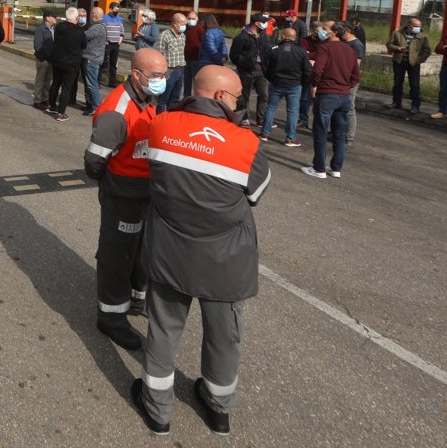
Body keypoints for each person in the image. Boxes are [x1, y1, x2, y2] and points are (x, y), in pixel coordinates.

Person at [132, 65, 270, 438]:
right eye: (239, 96)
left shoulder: (161, 124)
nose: (241, 102)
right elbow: (255, 195)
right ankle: (217, 406)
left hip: (169, 251)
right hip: (226, 260)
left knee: (163, 330)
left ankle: (157, 409)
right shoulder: (245, 143)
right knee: (224, 336)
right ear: (222, 97)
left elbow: (155, 170)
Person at [84, 48, 168, 352]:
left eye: (164, 74)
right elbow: (94, 161)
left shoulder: (146, 97)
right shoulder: (115, 111)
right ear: (136, 75)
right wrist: (112, 184)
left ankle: (136, 298)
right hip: (124, 193)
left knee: (142, 250)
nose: (162, 81)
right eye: (157, 76)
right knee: (117, 255)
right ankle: (111, 317)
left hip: (146, 190)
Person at [301, 22, 360, 179]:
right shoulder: (350, 50)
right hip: (343, 96)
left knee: (320, 131)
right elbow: (356, 76)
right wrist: (345, 86)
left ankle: (319, 168)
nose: (322, 31)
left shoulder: (325, 48)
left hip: (327, 94)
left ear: (334, 33)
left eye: (325, 29)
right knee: (339, 134)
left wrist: (315, 85)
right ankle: (336, 168)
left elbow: (317, 70)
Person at [261, 27, 311, 147]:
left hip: (276, 82)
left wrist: (271, 78)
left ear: (283, 36)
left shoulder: (274, 49)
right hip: (294, 84)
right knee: (292, 112)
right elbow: (307, 70)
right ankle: (290, 138)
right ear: (294, 38)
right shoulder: (302, 51)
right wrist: (303, 82)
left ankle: (265, 134)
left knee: (271, 107)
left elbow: (265, 66)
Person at [229, 14, 271, 126]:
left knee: (264, 95)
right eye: (264, 22)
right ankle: (244, 118)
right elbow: (234, 56)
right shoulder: (242, 37)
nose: (266, 24)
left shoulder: (263, 36)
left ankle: (260, 119)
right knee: (245, 96)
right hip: (246, 71)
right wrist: (245, 64)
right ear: (257, 23)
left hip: (261, 71)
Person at [386, 16, 432, 113]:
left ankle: (415, 106)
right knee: (397, 83)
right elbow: (389, 45)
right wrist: (397, 48)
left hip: (413, 64)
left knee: (414, 85)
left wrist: (418, 60)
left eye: (419, 26)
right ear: (409, 25)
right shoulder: (397, 33)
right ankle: (396, 102)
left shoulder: (423, 36)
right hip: (399, 62)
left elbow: (427, 51)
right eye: (416, 26)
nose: (418, 28)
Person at [48, 6, 86, 121]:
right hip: (71, 63)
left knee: (55, 83)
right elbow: (84, 45)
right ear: (76, 18)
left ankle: (51, 105)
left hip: (57, 61)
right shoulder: (79, 32)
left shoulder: (59, 27)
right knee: (66, 88)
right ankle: (61, 113)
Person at [155, 11, 188, 110]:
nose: (185, 26)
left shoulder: (183, 36)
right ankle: (159, 118)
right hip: (169, 71)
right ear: (175, 24)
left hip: (181, 69)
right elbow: (159, 54)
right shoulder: (164, 36)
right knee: (163, 98)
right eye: (183, 24)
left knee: (175, 98)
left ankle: (171, 118)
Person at [341, 22, 366, 145]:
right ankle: (338, 132)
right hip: (342, 79)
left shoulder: (356, 45)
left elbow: (356, 64)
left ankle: (349, 137)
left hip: (350, 81)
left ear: (348, 31)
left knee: (350, 107)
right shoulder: (344, 43)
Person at [81, 6, 107, 115]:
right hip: (94, 58)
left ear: (95, 15)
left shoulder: (97, 27)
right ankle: (93, 105)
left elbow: (84, 36)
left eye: (91, 13)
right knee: (92, 83)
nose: (89, 16)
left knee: (92, 84)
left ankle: (96, 106)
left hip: (92, 59)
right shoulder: (99, 26)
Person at [32, 11, 57, 111]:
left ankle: (45, 99)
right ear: (47, 18)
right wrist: (44, 56)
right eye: (53, 16)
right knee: (40, 80)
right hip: (43, 59)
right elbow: (38, 46)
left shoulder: (52, 29)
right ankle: (37, 100)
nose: (55, 18)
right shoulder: (41, 29)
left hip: (51, 59)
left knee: (47, 81)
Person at [182, 10, 204, 98]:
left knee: (196, 80)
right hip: (186, 59)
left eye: (193, 18)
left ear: (197, 19)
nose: (191, 20)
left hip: (196, 59)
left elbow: (204, 42)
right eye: (189, 18)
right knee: (187, 81)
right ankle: (186, 98)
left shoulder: (199, 29)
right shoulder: (185, 28)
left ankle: (196, 98)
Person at [104, 1, 125, 86]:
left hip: (116, 44)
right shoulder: (105, 18)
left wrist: (120, 41)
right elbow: (103, 30)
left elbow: (122, 31)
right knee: (104, 62)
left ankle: (112, 82)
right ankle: (98, 80)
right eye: (115, 9)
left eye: (118, 9)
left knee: (113, 64)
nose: (117, 11)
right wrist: (105, 40)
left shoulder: (119, 19)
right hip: (108, 43)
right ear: (111, 9)